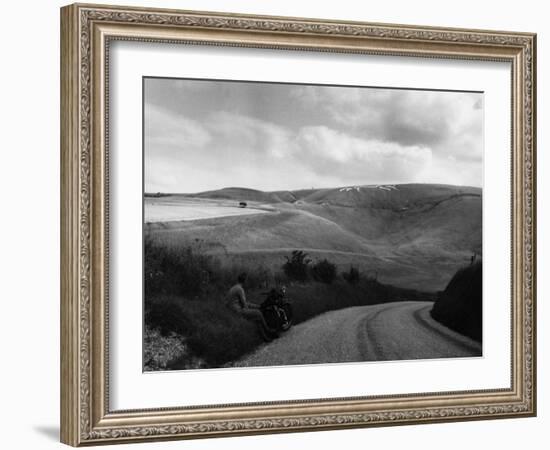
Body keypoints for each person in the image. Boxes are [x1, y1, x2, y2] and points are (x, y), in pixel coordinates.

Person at [225, 273, 276, 341]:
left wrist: (258, 306)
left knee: (256, 314)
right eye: (246, 281)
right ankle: (268, 330)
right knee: (258, 313)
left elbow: (244, 303)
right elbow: (244, 304)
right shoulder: (240, 289)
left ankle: (266, 337)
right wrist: (253, 310)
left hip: (232, 310)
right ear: (244, 281)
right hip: (238, 311)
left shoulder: (234, 287)